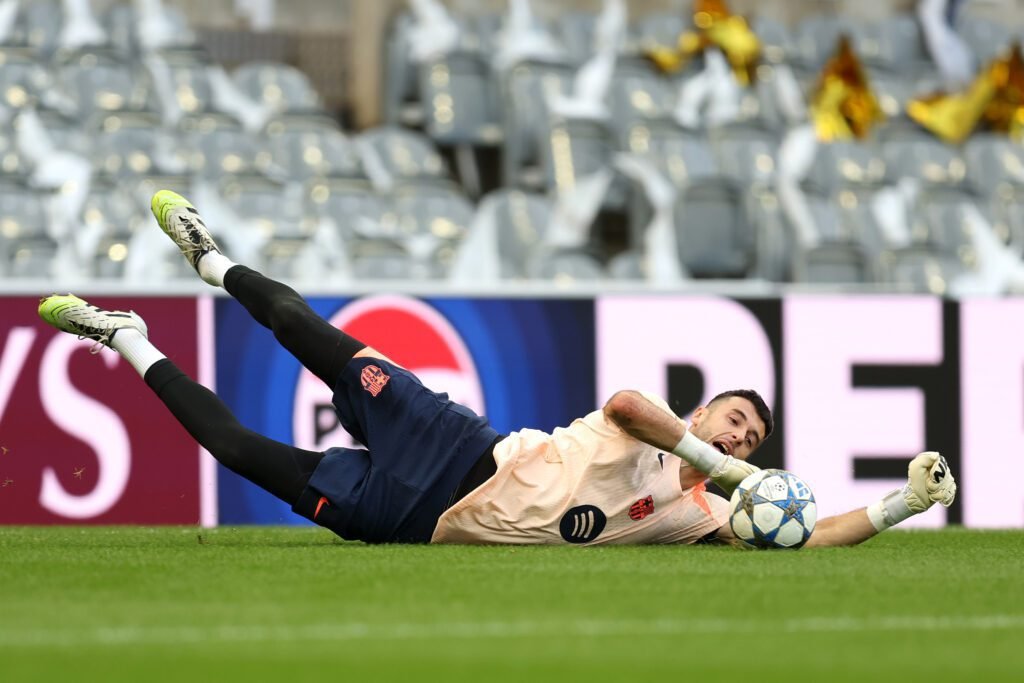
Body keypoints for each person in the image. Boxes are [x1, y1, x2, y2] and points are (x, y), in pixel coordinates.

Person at [37, 191, 957, 547]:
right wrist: (724, 464)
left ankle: (124, 338)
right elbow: (629, 401)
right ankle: (210, 260)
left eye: (753, 435)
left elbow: (805, 538)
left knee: (240, 448)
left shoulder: (701, 515)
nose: (741, 435)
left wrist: (899, 504)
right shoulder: (655, 427)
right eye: (734, 420)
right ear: (706, 412)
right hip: (454, 442)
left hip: (411, 519)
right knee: (308, 333)